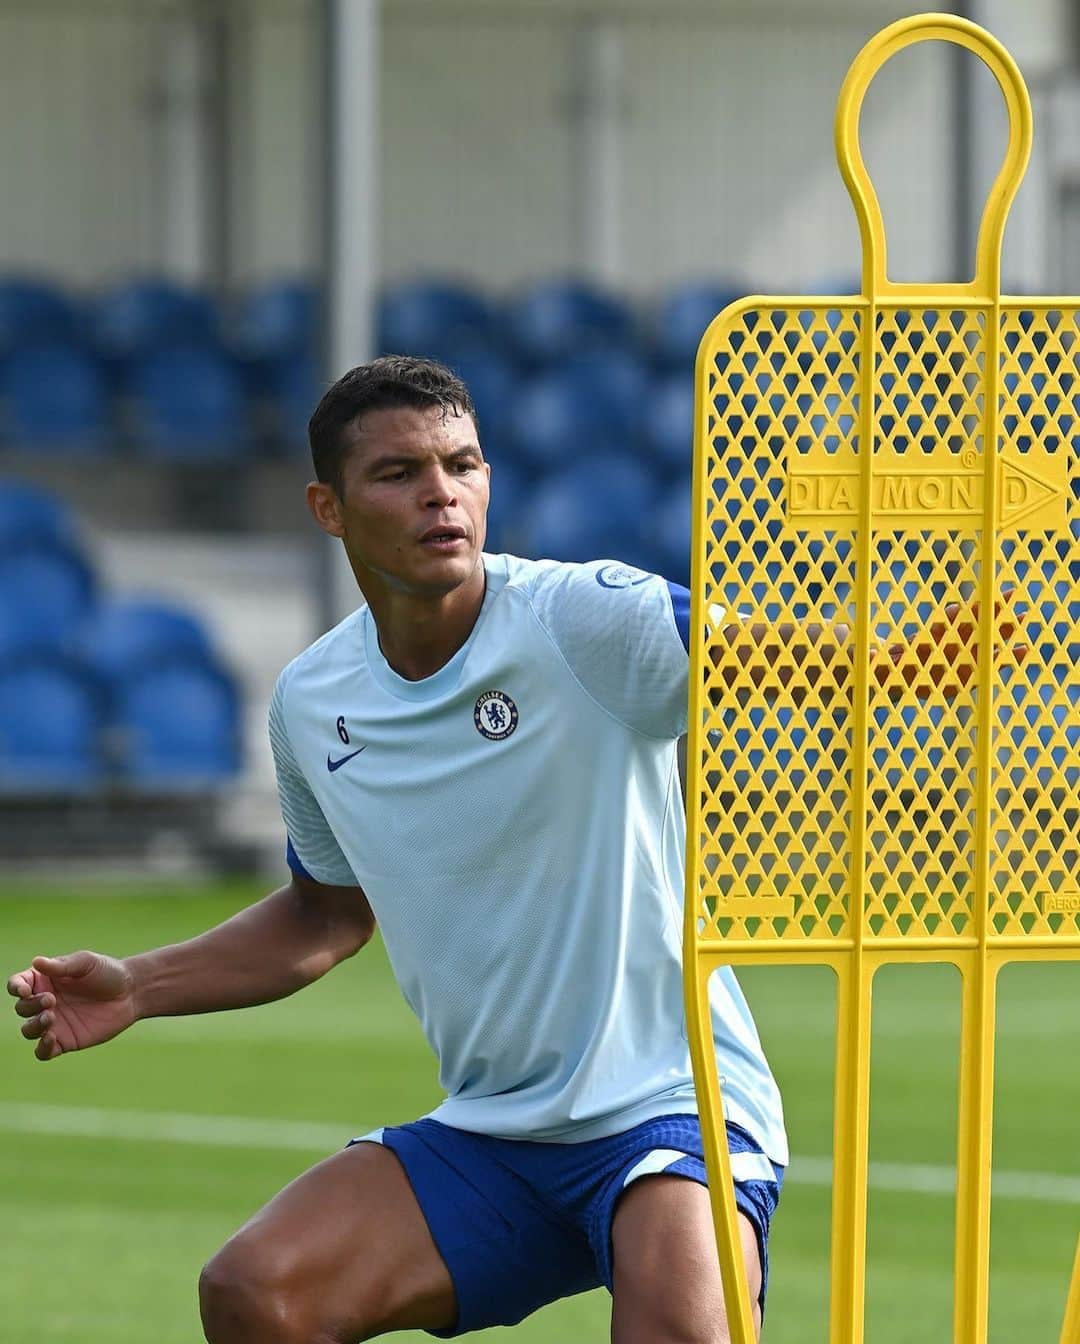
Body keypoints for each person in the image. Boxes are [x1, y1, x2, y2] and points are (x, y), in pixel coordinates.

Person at [8, 355, 1002, 1343]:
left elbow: (783, 654)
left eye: (463, 464)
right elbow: (326, 916)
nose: (442, 493)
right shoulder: (313, 703)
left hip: (673, 1107)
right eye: (399, 473)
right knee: (257, 1294)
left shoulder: (586, 619)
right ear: (329, 508)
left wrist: (916, 655)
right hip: (498, 1133)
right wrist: (139, 986)